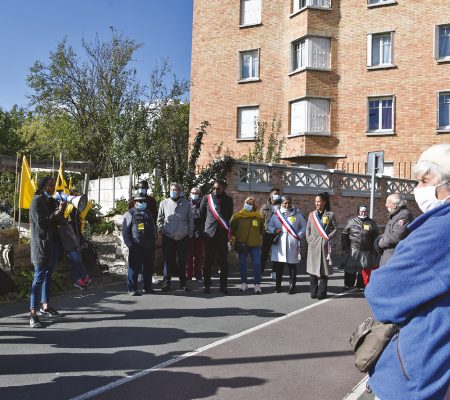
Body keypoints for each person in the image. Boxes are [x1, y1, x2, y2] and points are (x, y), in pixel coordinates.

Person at [365, 143, 450, 400]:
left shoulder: (441, 227)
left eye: (425, 180)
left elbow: (382, 293)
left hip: (420, 368)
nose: (419, 189)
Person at [29, 177, 66, 328]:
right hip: (41, 246)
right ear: (43, 186)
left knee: (48, 277)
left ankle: (45, 306)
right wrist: (56, 212)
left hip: (53, 245)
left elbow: (59, 221)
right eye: (50, 185)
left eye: (53, 185)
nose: (53, 187)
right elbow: (43, 222)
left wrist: (61, 210)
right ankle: (32, 313)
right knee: (38, 278)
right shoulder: (37, 200)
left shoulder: (51, 201)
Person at [157, 182, 193, 291]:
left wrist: (189, 233)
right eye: (172, 190)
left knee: (182, 261)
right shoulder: (164, 203)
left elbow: (190, 220)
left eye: (176, 190)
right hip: (169, 237)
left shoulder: (186, 204)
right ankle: (166, 283)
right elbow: (159, 219)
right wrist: (162, 230)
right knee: (168, 260)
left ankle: (183, 283)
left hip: (183, 236)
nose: (173, 191)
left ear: (180, 191)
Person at [267, 195, 307, 294]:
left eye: (289, 202)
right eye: (285, 203)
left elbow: (304, 226)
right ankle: (278, 286)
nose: (287, 205)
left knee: (292, 265)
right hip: (279, 242)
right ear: (281, 203)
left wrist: (298, 235)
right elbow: (269, 226)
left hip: (292, 242)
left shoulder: (297, 214)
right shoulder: (276, 214)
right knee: (278, 266)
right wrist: (275, 230)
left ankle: (292, 285)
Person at [200, 180, 233, 294]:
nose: (215, 190)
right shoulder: (206, 199)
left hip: (222, 235)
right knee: (208, 261)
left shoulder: (229, 200)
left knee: (223, 261)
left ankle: (223, 285)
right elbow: (202, 215)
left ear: (223, 188)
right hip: (210, 234)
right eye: (213, 188)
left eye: (218, 188)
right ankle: (207, 285)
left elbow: (228, 215)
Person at [122, 190, 157, 295]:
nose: (142, 203)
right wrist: (130, 245)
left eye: (143, 201)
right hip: (136, 245)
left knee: (148, 268)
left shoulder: (148, 213)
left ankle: (148, 287)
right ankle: (132, 289)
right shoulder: (129, 214)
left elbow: (153, 228)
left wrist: (155, 240)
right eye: (139, 201)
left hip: (149, 245)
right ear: (135, 202)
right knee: (134, 268)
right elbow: (125, 232)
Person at [306, 192, 337, 299]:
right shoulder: (312, 214)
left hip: (324, 245)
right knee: (312, 269)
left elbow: (335, 228)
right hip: (313, 245)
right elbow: (308, 229)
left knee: (324, 270)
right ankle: (313, 291)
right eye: (316, 202)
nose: (317, 203)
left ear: (324, 202)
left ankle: (322, 292)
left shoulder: (330, 215)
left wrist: (328, 237)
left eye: (319, 201)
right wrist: (309, 240)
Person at [230, 197, 265, 293]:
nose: (248, 205)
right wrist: (236, 237)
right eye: (247, 203)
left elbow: (262, 230)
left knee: (257, 264)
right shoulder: (238, 216)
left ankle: (257, 284)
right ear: (244, 204)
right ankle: (244, 283)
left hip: (255, 244)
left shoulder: (259, 217)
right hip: (242, 243)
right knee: (242, 264)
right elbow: (232, 229)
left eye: (251, 203)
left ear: (254, 205)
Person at [341, 204, 379, 291]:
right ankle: (348, 285)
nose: (363, 213)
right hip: (353, 249)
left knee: (363, 268)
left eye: (365, 211)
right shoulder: (352, 221)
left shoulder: (371, 222)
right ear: (358, 211)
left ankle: (360, 285)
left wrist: (375, 249)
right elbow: (344, 234)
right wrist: (345, 247)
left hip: (366, 250)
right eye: (362, 211)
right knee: (350, 268)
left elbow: (376, 236)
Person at [374, 193, 414, 266]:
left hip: (394, 256)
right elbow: (389, 233)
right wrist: (379, 238)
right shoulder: (396, 214)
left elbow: (395, 237)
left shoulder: (404, 215)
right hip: (389, 255)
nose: (386, 205)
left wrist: (379, 243)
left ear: (395, 205)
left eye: (388, 202)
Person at [64, 188, 91, 289]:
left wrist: (82, 240)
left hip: (76, 239)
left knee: (77, 259)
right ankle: (81, 277)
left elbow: (77, 228)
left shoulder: (76, 211)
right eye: (75, 196)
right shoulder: (68, 209)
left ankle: (79, 279)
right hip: (69, 240)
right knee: (76, 259)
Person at [260, 188, 282, 277]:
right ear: (271, 195)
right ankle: (260, 271)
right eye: (275, 194)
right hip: (267, 233)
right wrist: (261, 232)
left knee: (276, 254)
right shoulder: (264, 207)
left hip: (278, 233)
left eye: (278, 194)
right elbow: (261, 220)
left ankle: (274, 272)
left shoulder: (282, 206)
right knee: (264, 254)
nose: (277, 195)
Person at [186, 187, 204, 281]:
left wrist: (201, 229)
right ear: (190, 193)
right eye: (192, 192)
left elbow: (204, 217)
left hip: (199, 231)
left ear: (199, 194)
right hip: (189, 231)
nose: (194, 194)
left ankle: (198, 275)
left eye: (196, 193)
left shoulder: (202, 203)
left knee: (198, 254)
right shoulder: (186, 203)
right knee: (189, 255)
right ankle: (188, 275)